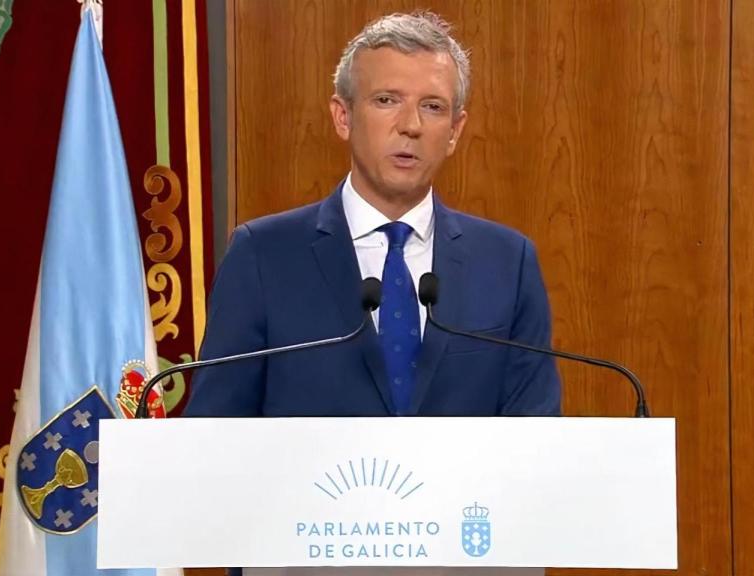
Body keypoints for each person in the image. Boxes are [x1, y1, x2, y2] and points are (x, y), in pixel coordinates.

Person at [184, 11, 560, 421]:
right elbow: (213, 433)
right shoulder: (262, 255)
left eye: (433, 107)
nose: (410, 125)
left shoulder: (508, 262)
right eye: (386, 100)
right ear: (342, 117)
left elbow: (535, 434)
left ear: (454, 130)